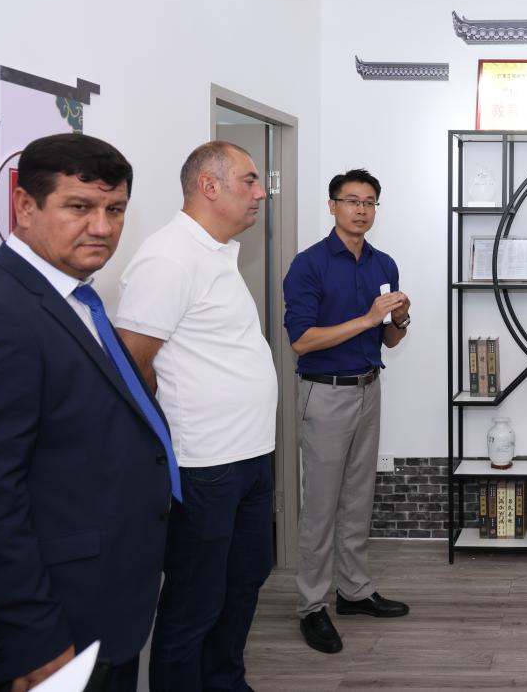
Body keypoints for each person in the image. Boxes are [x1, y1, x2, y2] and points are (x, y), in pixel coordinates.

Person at [0, 134, 175, 692]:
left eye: (115, 210)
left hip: (103, 600)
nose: (102, 227)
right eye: (79, 207)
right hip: (53, 625)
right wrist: (34, 637)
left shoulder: (76, 298)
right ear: (24, 206)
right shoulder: (3, 310)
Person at [117, 141, 277, 692]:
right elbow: (133, 366)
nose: (261, 193)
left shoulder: (216, 253)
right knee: (195, 601)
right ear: (209, 186)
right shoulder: (169, 257)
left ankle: (227, 682)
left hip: (251, 454)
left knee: (244, 582)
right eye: (249, 180)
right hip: (203, 464)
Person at [284, 169, 412, 654]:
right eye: (352, 200)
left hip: (368, 388)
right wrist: (368, 318)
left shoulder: (383, 263)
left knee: (359, 498)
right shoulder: (309, 265)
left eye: (370, 202)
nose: (361, 209)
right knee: (320, 506)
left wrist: (399, 318)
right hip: (325, 392)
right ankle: (312, 606)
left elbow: (390, 338)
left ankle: (354, 591)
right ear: (332, 205)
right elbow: (302, 340)